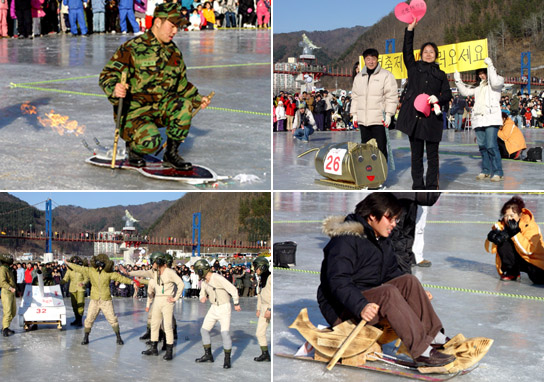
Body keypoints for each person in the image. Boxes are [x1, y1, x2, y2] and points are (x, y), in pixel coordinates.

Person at [317, 193, 456, 367]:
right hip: (341, 307)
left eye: (396, 220)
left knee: (409, 281)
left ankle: (433, 335)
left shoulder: (380, 239)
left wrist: (416, 293)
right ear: (372, 216)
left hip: (365, 296)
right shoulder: (345, 241)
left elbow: (392, 273)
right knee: (388, 293)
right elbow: (337, 281)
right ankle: (421, 352)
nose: (394, 224)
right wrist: (361, 305)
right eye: (390, 219)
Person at [99, 2, 210, 170]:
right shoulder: (133, 48)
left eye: (177, 27)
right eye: (172, 26)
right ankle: (134, 149)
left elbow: (181, 85)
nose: (175, 31)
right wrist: (115, 88)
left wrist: (197, 99)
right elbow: (107, 75)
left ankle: (171, 153)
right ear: (158, 22)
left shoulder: (174, 52)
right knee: (151, 142)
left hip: (160, 108)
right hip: (135, 112)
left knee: (184, 106)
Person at [396, 18, 452, 190]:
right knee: (417, 156)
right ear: (421, 54)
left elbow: (448, 94)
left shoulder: (441, 74)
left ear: (436, 55)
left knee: (433, 156)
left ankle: (431, 186)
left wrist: (438, 99)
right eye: (425, 51)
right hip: (416, 119)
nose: (428, 54)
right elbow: (406, 50)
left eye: (432, 52)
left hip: (432, 120)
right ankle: (418, 186)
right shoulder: (413, 69)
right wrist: (410, 30)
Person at [66, 254, 134, 346]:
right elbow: (80, 268)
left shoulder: (109, 273)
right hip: (94, 299)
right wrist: (69, 264)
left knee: (112, 319)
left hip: (106, 300)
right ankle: (86, 337)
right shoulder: (91, 271)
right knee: (89, 318)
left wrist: (131, 282)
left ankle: (118, 337)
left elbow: (120, 278)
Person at [454, 58, 505, 181]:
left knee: (492, 145)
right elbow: (465, 92)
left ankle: (498, 171)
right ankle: (486, 170)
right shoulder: (478, 87)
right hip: (479, 118)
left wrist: (490, 65)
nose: (482, 75)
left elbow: (495, 82)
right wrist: (457, 79)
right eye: (480, 73)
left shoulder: (498, 81)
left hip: (491, 118)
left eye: (484, 72)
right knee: (482, 146)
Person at [350, 48, 397, 162]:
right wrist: (354, 114)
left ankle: (381, 175)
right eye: (368, 59)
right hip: (363, 120)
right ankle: (368, 174)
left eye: (373, 59)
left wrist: (389, 114)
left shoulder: (386, 75)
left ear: (377, 59)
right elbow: (355, 97)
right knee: (366, 149)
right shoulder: (359, 77)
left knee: (380, 148)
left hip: (379, 120)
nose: (371, 62)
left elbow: (391, 96)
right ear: (364, 60)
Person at [485, 196, 544, 283]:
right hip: (518, 259)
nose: (508, 218)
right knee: (503, 241)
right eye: (506, 215)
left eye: (512, 215)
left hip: (534, 260)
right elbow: (490, 250)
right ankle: (512, 271)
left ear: (520, 215)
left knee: (538, 279)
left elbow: (529, 250)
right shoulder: (501, 226)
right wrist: (491, 239)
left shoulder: (531, 226)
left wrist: (515, 233)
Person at [194, 259, 241, 369]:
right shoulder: (205, 281)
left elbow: (233, 289)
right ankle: (208, 355)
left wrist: (236, 303)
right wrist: (202, 297)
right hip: (213, 308)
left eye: (198, 271)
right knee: (204, 330)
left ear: (202, 270)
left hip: (224, 307)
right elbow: (202, 292)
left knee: (224, 333)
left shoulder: (217, 278)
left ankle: (227, 359)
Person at [139, 252, 183, 361]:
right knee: (154, 324)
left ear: (158, 262)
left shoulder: (170, 272)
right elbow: (143, 273)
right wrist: (128, 273)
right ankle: (153, 348)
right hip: (157, 299)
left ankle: (169, 351)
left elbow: (181, 284)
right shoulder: (155, 273)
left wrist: (175, 298)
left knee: (167, 326)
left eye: (153, 262)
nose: (152, 264)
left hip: (167, 299)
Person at [60, 256, 89, 327]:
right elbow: (65, 279)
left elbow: (87, 278)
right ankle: (76, 318)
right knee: (74, 305)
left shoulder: (82, 270)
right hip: (72, 289)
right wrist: (59, 282)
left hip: (80, 289)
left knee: (80, 304)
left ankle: (79, 319)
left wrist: (83, 283)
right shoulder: (69, 271)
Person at [253, 257, 271, 362]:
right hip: (264, 307)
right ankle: (265, 354)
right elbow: (259, 295)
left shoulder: (270, 278)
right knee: (259, 332)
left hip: (270, 306)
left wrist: (270, 309)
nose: (255, 270)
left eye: (256, 267)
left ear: (262, 267)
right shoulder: (261, 279)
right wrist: (258, 309)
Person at [0, 254, 16, 337]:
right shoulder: (2, 269)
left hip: (12, 292)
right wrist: (10, 288)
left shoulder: (9, 269)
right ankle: (5, 329)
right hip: (6, 291)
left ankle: (5, 326)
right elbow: (2, 282)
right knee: (7, 311)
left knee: (13, 312)